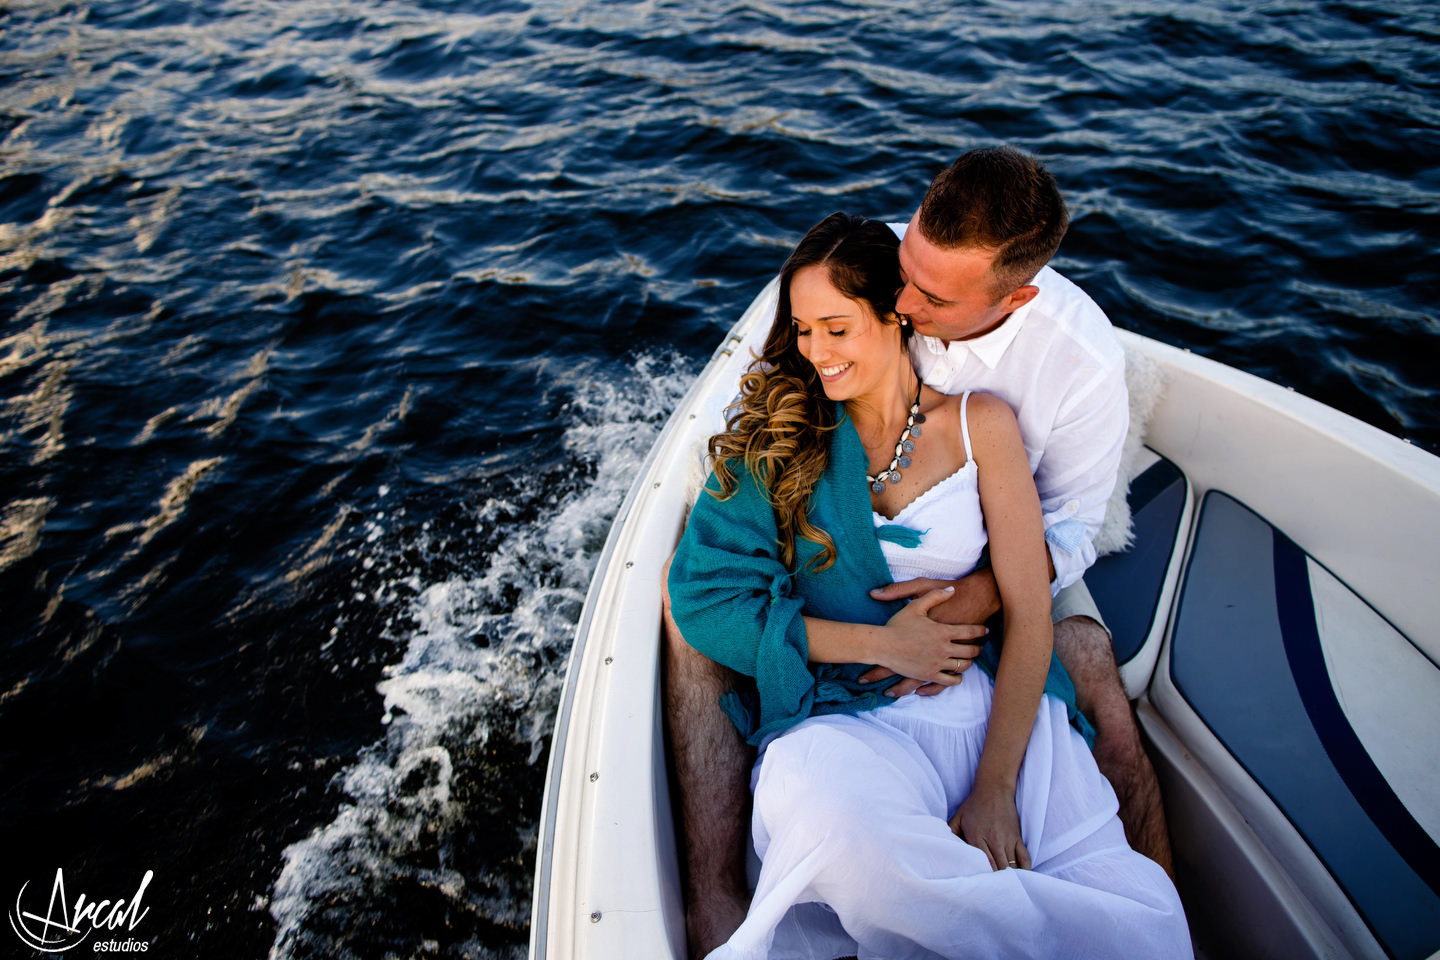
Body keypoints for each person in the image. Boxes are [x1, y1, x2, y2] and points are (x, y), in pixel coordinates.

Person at [663, 147, 1172, 957]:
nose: (906, 294)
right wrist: (883, 642)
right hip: (847, 703)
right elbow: (709, 587)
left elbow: (1063, 542)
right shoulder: (841, 336)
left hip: (990, 648)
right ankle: (714, 893)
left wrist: (980, 603)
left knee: (1136, 906)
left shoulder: (1053, 382)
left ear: (1011, 296)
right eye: (807, 331)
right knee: (851, 843)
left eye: (924, 298)